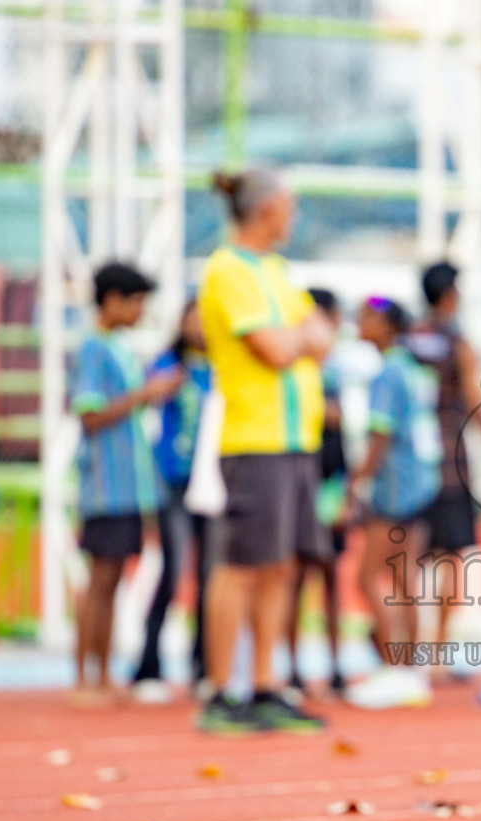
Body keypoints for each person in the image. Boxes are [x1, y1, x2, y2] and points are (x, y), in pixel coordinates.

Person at [197, 168, 335, 733]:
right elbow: (279, 348)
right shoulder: (226, 270)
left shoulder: (275, 270)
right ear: (266, 209)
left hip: (296, 441)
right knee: (239, 568)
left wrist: (297, 340)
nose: (294, 216)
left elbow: (318, 336)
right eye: (289, 205)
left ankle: (262, 686)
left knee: (278, 566)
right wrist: (299, 339)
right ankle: (219, 691)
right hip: (253, 442)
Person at [70, 262, 181, 702]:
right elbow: (90, 414)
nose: (140, 312)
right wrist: (143, 395)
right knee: (99, 583)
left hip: (129, 488)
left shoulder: (115, 346)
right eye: (136, 302)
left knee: (112, 581)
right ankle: (83, 677)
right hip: (105, 488)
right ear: (112, 300)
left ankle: (102, 674)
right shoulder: (94, 349)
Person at [404, 263, 481, 684]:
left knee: (406, 559)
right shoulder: (457, 343)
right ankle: (438, 657)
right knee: (449, 561)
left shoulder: (407, 339)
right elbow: (474, 399)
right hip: (450, 463)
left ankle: (407, 653)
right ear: (450, 295)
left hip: (407, 461)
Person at [345, 296, 442, 710]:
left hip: (395, 489)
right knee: (405, 582)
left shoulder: (386, 374)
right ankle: (411, 672)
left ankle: (392, 668)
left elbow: (379, 435)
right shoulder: (411, 368)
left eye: (368, 316)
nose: (360, 321)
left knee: (367, 578)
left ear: (387, 326)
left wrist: (356, 484)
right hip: (421, 484)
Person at [133, 298, 213, 692]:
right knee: (174, 566)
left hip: (213, 483)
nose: (197, 326)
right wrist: (161, 389)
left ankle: (203, 666)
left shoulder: (222, 369)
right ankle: (148, 664)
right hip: (173, 481)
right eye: (190, 319)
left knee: (210, 575)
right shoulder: (168, 364)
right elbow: (147, 395)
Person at [285, 287, 348, 697]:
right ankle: (291, 666)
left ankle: (335, 664)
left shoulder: (332, 373)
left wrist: (344, 490)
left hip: (328, 482)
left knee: (328, 576)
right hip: (300, 481)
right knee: (295, 576)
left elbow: (341, 436)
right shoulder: (294, 370)